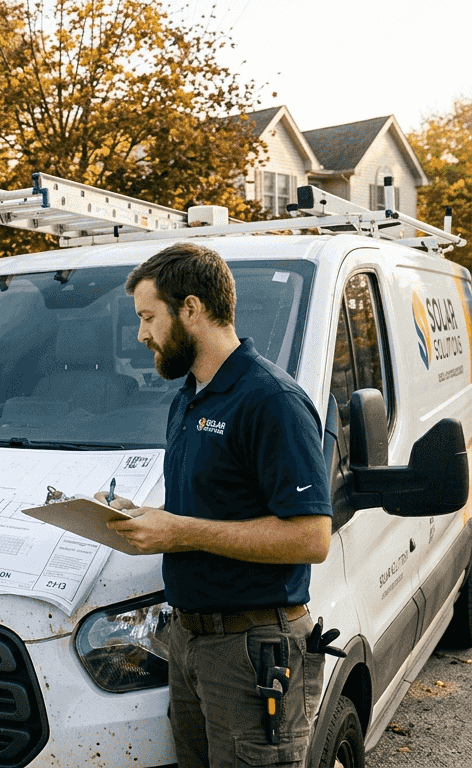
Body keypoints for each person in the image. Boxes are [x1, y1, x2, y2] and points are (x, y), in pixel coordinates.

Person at [100, 242, 332, 768]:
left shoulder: (271, 400)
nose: (141, 334)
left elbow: (311, 538)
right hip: (189, 641)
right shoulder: (191, 396)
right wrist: (140, 518)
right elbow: (210, 505)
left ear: (190, 309)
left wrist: (179, 532)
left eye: (147, 317)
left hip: (251, 646)